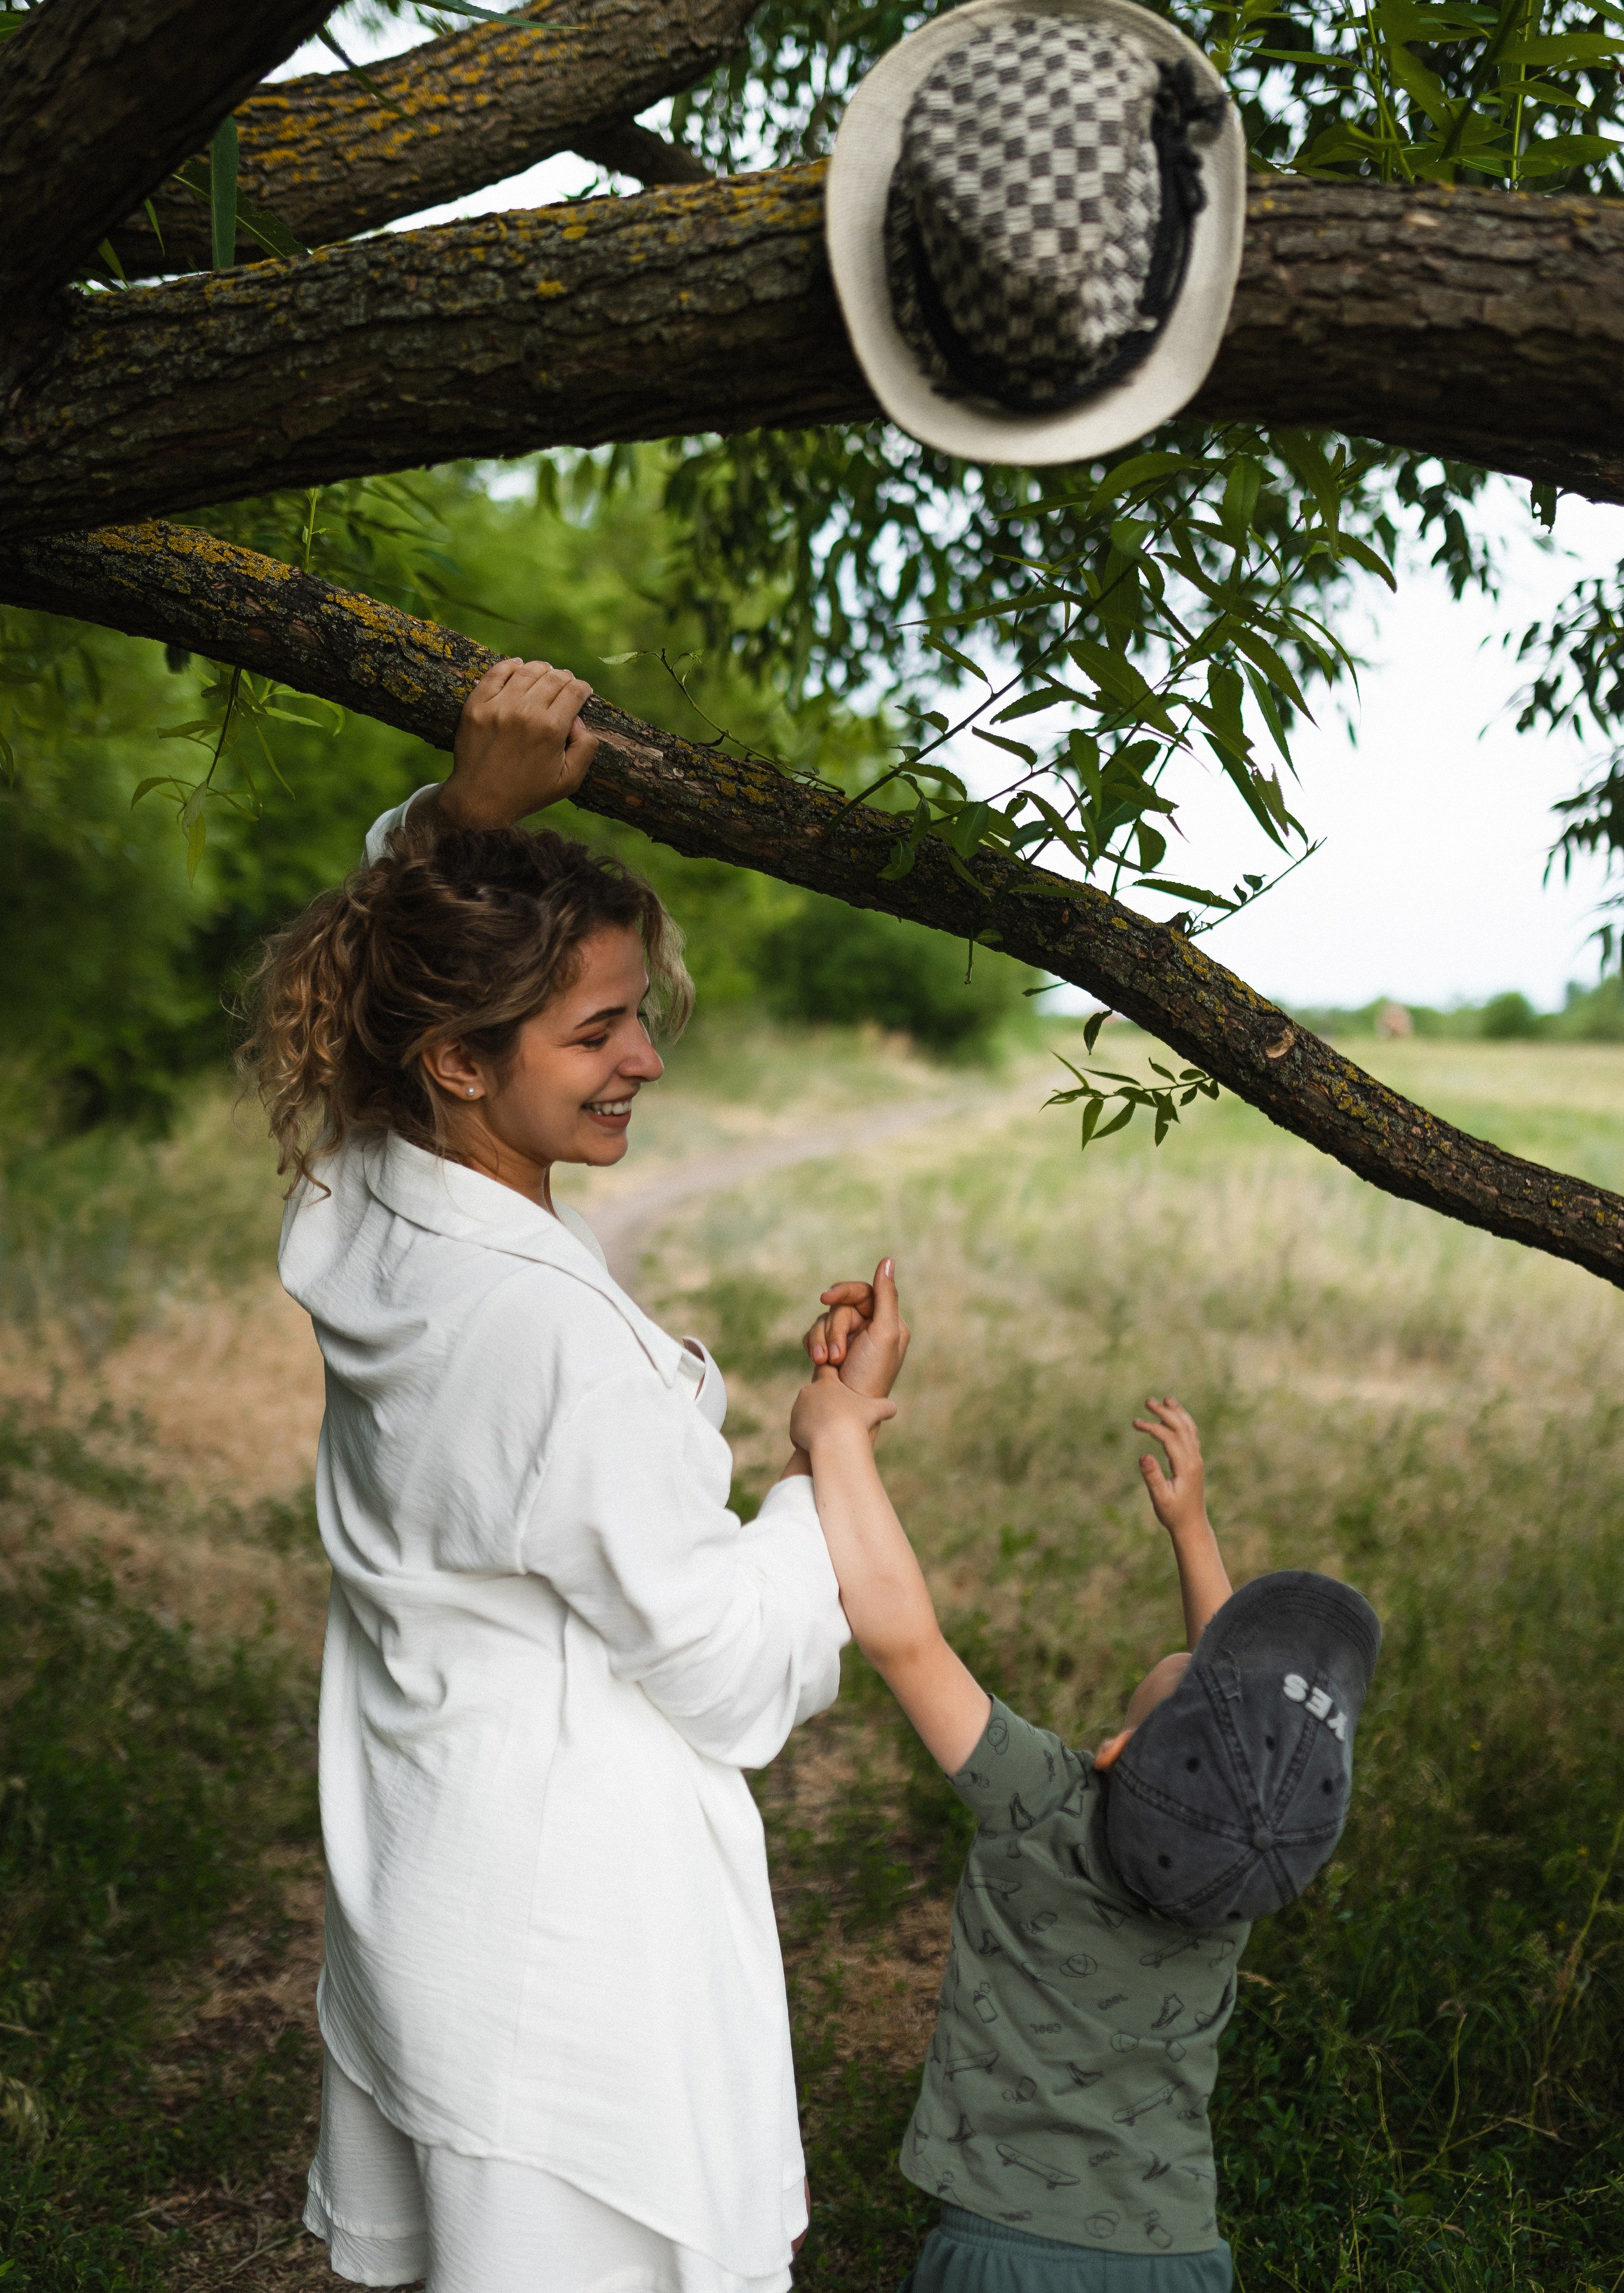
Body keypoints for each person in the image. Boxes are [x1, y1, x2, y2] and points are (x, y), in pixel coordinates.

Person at [246, 657, 909, 2293]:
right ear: (460, 1060)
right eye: (598, 1028)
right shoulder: (543, 1338)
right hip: (570, 1935)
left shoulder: (361, 1202)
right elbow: (737, 1679)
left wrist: (462, 819)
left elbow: (373, 975)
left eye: (639, 1018)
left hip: (433, 1864)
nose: (645, 1062)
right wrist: (825, 1458)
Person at [789, 1346, 1381, 2293]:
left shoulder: (1041, 1798)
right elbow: (1243, 1746)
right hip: (1179, 2258)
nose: (1200, 1664)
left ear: (1113, 1750)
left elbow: (903, 1636)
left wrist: (836, 1437)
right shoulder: (1238, 1878)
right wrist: (1191, 1530)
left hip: (1003, 2258)